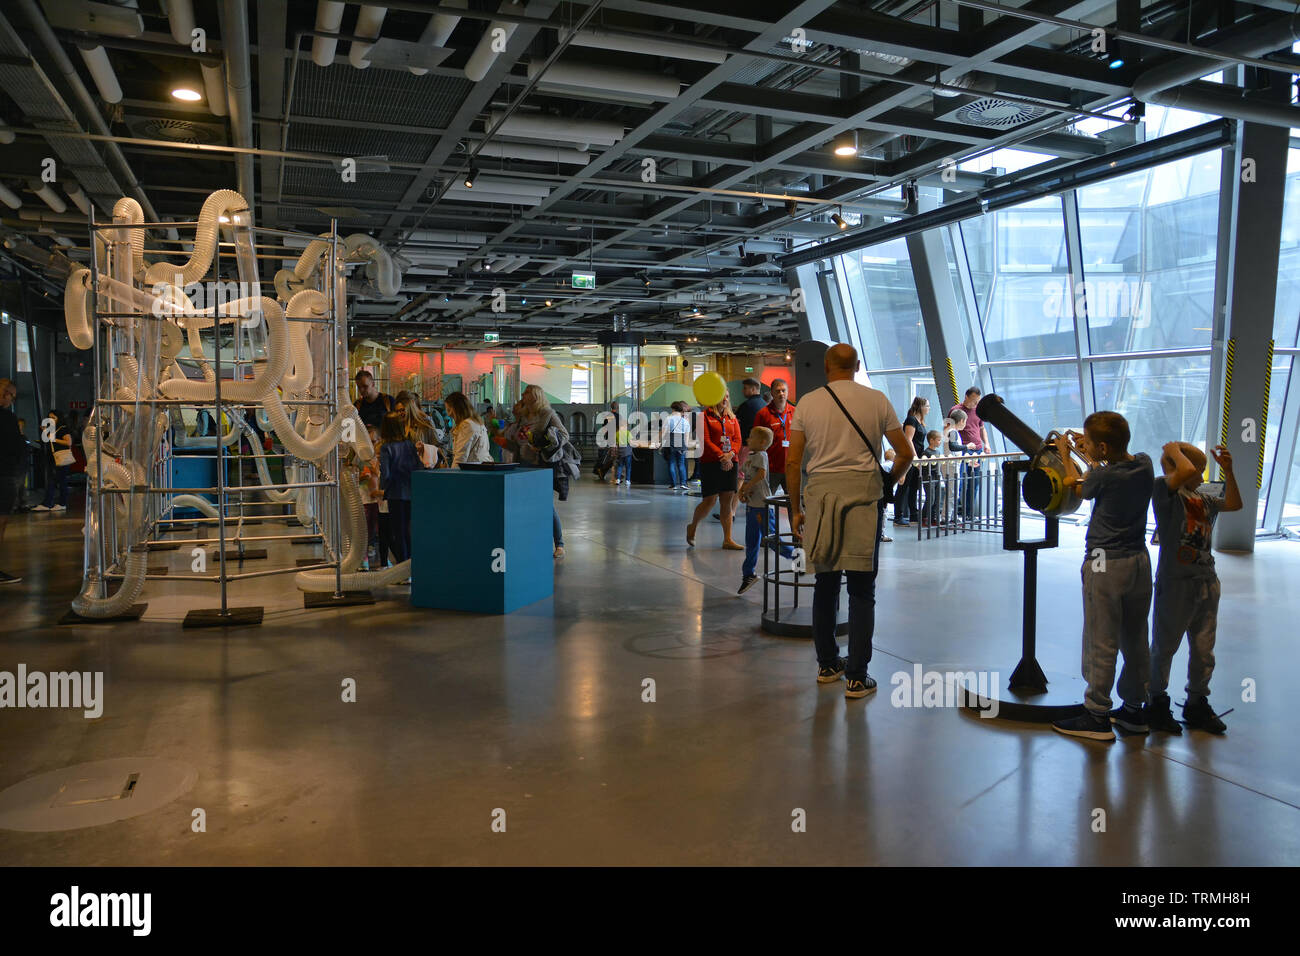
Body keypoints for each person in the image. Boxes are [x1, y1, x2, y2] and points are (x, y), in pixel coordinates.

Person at [786, 345, 913, 698]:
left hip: (821, 498)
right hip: (864, 498)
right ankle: (857, 676)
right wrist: (888, 483)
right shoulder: (877, 401)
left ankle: (827, 665)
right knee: (861, 590)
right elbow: (906, 453)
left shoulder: (808, 403)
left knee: (825, 584)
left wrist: (796, 507)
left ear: (826, 367)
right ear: (857, 366)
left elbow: (794, 462)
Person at [1050, 411, 1154, 741]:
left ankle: (1096, 715)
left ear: (1104, 447)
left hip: (1102, 562)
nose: (1086, 445)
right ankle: (1134, 711)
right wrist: (1091, 450)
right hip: (1138, 561)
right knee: (1136, 637)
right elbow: (1106, 465)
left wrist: (1068, 455)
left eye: (1091, 442)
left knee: (1101, 637)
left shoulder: (1103, 478)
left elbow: (1076, 486)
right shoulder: (1144, 463)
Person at [1148, 442, 1242, 735]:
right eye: (1198, 470)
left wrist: (1229, 470)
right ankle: (1156, 702)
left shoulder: (1202, 497)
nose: (1201, 475)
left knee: (1204, 649)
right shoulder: (1164, 491)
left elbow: (1234, 504)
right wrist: (1173, 449)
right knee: (1165, 647)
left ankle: (1197, 701)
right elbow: (1183, 469)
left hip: (1206, 581)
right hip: (1176, 584)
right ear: (1176, 469)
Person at [512, 384, 569, 559]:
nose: (523, 394)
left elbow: (564, 436)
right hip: (523, 464)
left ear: (535, 395)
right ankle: (531, 541)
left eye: (527, 392)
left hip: (542, 465)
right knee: (525, 505)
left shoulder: (547, 414)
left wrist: (543, 447)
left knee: (546, 505)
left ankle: (559, 544)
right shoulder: (523, 417)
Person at [687, 395, 742, 550]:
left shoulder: (732, 418)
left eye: (727, 396)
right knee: (710, 500)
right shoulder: (703, 416)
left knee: (727, 501)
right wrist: (721, 456)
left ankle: (728, 539)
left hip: (731, 461)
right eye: (721, 395)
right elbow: (705, 440)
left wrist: (730, 455)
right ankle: (693, 526)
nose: (725, 398)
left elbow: (738, 440)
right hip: (711, 463)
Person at [377, 411, 427, 565]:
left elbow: (385, 474)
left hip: (395, 494)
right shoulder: (409, 445)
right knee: (408, 531)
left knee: (397, 532)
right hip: (411, 492)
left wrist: (382, 488)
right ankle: (412, 565)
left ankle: (403, 569)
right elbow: (418, 466)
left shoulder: (386, 448)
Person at [737, 425, 775, 594]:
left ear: (762, 442)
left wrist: (748, 487)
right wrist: (742, 491)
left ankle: (797, 556)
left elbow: (760, 475)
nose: (747, 439)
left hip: (762, 506)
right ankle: (748, 575)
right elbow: (748, 477)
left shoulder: (761, 456)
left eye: (751, 437)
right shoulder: (750, 458)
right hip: (752, 507)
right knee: (751, 542)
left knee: (772, 540)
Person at [949, 387, 990, 522]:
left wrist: (986, 444)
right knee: (959, 482)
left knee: (974, 481)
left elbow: (982, 428)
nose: (975, 404)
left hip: (977, 450)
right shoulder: (956, 411)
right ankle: (955, 513)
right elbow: (948, 430)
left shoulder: (978, 411)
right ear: (966, 397)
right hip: (963, 451)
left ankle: (969, 512)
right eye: (974, 401)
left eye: (977, 401)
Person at [753, 379, 795, 494]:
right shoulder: (763, 414)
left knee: (793, 503)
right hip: (770, 468)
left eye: (783, 390)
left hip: (791, 467)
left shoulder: (795, 412)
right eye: (778, 391)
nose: (781, 393)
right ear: (772, 393)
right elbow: (755, 441)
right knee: (767, 503)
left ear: (787, 392)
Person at [0, 379, 23, 584]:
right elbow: (16, 446)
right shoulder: (7, 418)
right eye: (12, 396)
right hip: (3, 473)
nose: (12, 400)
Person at [895, 396, 929, 527]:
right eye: (927, 406)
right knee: (903, 486)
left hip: (918, 458)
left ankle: (913, 515)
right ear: (921, 407)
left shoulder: (920, 422)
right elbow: (909, 439)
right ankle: (898, 516)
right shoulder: (911, 420)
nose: (928, 409)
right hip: (910, 458)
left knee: (914, 486)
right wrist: (915, 458)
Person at [35, 409, 73, 512]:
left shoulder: (62, 429)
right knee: (54, 481)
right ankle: (50, 502)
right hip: (53, 458)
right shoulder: (52, 429)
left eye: (53, 418)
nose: (51, 420)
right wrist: (44, 431)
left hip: (61, 457)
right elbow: (46, 440)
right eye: (50, 418)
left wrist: (53, 438)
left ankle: (61, 503)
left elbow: (69, 442)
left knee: (61, 481)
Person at [445, 391, 492, 466]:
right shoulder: (476, 422)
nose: (448, 414)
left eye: (449, 409)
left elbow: (461, 456)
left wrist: (452, 475)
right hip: (481, 468)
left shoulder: (467, 425)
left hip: (474, 471)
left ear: (457, 409)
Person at [660, 401, 691, 490]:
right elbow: (686, 436)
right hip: (681, 442)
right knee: (681, 464)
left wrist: (660, 442)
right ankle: (683, 483)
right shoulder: (685, 421)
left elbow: (663, 432)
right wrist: (685, 446)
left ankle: (673, 484)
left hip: (670, 442)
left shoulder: (668, 419)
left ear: (673, 409)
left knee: (671, 463)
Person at [919, 429, 946, 526]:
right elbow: (923, 466)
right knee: (930, 498)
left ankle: (933, 518)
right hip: (928, 477)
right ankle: (923, 517)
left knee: (937, 498)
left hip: (937, 477)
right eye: (938, 440)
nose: (940, 442)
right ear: (931, 440)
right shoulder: (926, 453)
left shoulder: (938, 452)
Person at [610, 402, 633, 486]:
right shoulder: (627, 432)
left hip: (615, 445)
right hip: (627, 452)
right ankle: (627, 480)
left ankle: (615, 479)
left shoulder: (607, 416)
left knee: (616, 463)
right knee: (627, 466)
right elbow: (631, 442)